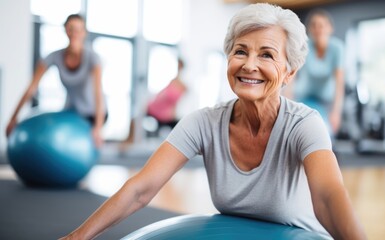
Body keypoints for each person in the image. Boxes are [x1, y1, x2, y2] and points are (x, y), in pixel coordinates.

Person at [60, 4, 366, 240]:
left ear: (289, 73)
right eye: (240, 51)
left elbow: (327, 196)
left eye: (267, 55)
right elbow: (141, 189)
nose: (249, 65)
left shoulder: (304, 124)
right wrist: (78, 236)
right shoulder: (204, 123)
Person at [5, 14, 106, 147]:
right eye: (71, 28)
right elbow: (31, 88)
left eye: (78, 29)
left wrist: (98, 128)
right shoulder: (54, 56)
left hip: (93, 114)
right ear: (65, 30)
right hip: (71, 111)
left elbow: (97, 94)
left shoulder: (93, 58)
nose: (74, 33)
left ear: (84, 33)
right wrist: (13, 119)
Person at [285, 9, 345, 135]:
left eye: (322, 25)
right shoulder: (304, 46)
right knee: (300, 130)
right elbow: (293, 74)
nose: (318, 29)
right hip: (305, 97)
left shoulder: (337, 48)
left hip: (326, 100)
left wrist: (336, 112)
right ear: (309, 30)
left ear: (330, 28)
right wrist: (286, 99)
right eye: (314, 26)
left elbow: (339, 83)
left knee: (323, 132)